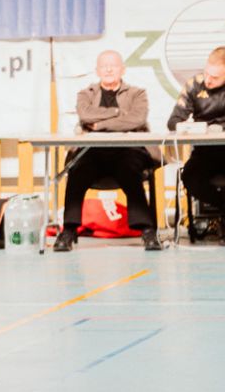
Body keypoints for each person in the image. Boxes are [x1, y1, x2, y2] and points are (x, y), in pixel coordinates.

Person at [55, 50, 161, 253]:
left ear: (123, 69)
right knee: (77, 170)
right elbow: (85, 116)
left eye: (113, 66)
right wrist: (117, 113)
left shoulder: (137, 94)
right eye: (104, 66)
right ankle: (68, 230)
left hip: (128, 150)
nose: (109, 70)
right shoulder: (86, 94)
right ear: (97, 71)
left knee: (130, 169)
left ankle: (147, 230)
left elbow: (136, 119)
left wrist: (101, 125)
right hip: (93, 151)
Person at [166, 46, 225, 245]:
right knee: (189, 177)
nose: (208, 80)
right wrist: (192, 128)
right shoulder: (194, 84)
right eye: (207, 73)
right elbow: (173, 121)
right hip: (205, 150)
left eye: (215, 77)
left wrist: (216, 129)